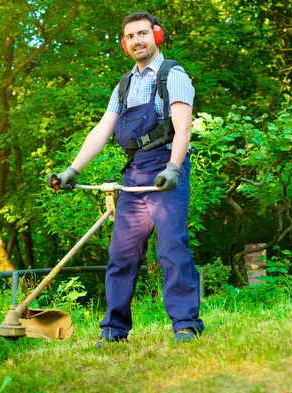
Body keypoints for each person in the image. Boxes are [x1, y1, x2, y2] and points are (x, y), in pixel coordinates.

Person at [52, 11, 204, 345]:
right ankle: (114, 329)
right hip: (135, 172)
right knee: (122, 253)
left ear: (156, 35)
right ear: (125, 44)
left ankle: (185, 324)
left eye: (142, 34)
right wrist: (72, 170)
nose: (136, 40)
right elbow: (101, 131)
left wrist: (174, 167)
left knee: (171, 247)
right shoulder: (125, 84)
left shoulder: (172, 75)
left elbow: (183, 128)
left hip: (167, 167)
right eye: (130, 36)